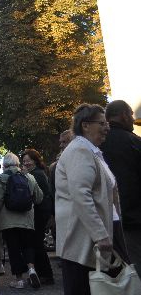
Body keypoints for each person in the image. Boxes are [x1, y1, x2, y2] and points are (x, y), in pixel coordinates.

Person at [55, 103, 121, 295]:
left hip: (91, 237)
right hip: (83, 239)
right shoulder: (80, 151)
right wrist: (100, 234)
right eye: (102, 123)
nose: (107, 127)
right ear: (85, 125)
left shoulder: (90, 151)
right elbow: (81, 195)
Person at [101, 100, 141, 271]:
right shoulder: (134, 142)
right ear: (124, 115)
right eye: (131, 115)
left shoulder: (96, 145)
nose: (133, 119)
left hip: (105, 219)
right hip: (134, 218)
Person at [0, 153, 43, 289]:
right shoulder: (29, 177)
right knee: (28, 245)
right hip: (27, 219)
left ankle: (19, 280)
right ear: (18, 164)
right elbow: (39, 198)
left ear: (4, 165)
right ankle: (32, 270)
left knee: (13, 249)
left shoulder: (0, 179)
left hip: (8, 220)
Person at [21, 148, 54, 285]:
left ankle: (45, 274)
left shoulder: (36, 174)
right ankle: (43, 274)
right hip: (42, 212)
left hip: (40, 212)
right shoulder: (38, 173)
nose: (26, 163)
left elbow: (38, 196)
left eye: (28, 160)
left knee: (37, 243)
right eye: (24, 161)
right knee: (37, 243)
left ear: (35, 160)